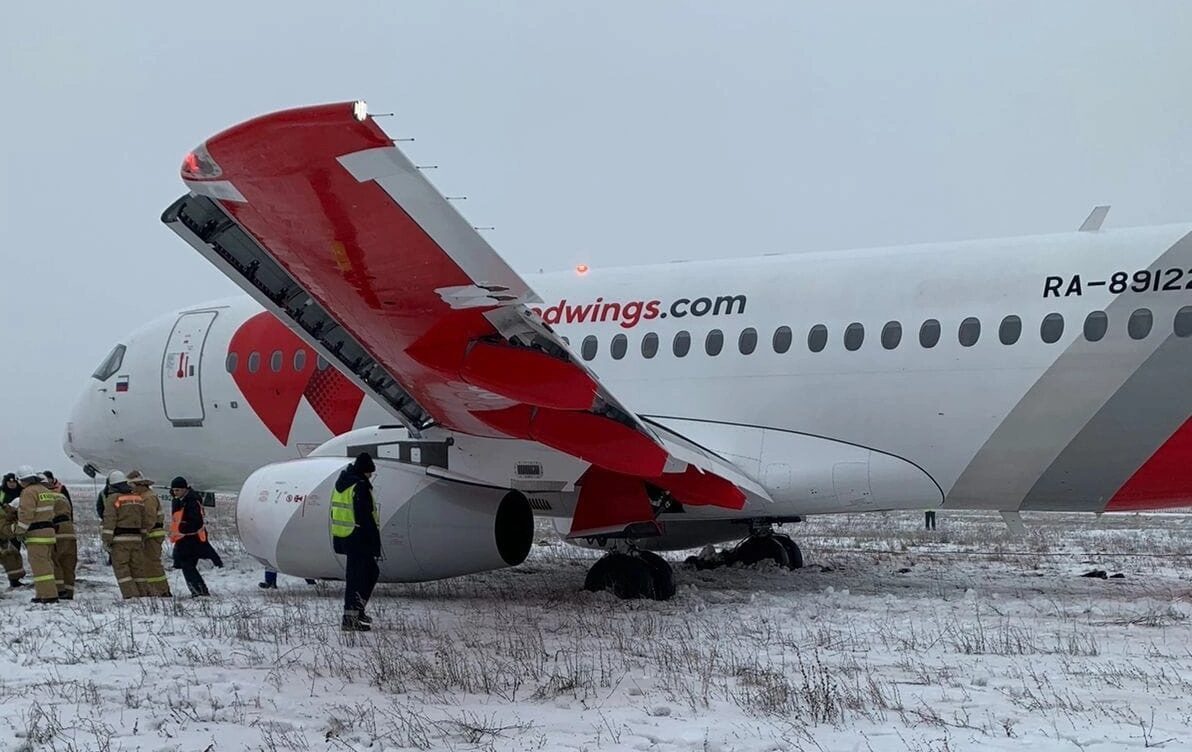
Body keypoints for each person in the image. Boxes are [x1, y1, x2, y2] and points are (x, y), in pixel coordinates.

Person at [331, 453, 381, 631]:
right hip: (359, 538)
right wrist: (375, 544)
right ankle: (351, 617)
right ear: (364, 471)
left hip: (345, 536)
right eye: (369, 473)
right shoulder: (359, 486)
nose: (370, 476)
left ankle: (356, 611)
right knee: (361, 576)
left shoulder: (343, 484)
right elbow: (365, 517)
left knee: (361, 574)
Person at [169, 477, 222, 596]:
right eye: (173, 490)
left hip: (192, 539)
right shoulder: (180, 500)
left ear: (184, 489)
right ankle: (199, 591)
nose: (175, 493)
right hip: (183, 539)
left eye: (177, 490)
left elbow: (195, 522)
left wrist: (183, 527)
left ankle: (199, 591)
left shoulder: (192, 501)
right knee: (186, 566)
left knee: (188, 566)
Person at [14, 466, 59, 603]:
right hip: (49, 533)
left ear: (22, 480)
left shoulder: (28, 492)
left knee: (40, 567)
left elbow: (26, 514)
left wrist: (19, 531)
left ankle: (49, 595)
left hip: (36, 534)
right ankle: (42, 594)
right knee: (47, 564)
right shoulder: (45, 491)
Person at [102, 470, 150, 599]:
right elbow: (144, 520)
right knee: (137, 569)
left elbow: (110, 519)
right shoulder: (137, 498)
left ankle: (131, 595)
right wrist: (143, 536)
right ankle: (143, 594)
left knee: (122, 569)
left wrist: (106, 540)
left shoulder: (113, 499)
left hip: (120, 540)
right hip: (137, 539)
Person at [128, 471, 171, 597]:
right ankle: (153, 589)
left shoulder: (148, 498)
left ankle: (162, 590)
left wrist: (142, 533)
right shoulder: (144, 496)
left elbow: (149, 519)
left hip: (152, 535)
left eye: (133, 486)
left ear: (140, 485)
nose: (131, 489)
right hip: (150, 535)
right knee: (146, 563)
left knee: (152, 563)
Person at [43, 471, 76, 600]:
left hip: (57, 531)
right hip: (69, 530)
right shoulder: (62, 495)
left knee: (55, 561)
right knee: (69, 563)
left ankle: (60, 590)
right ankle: (69, 592)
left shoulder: (46, 497)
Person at [0, 474, 26, 587]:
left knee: (14, 554)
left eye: (14, 482)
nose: (11, 483)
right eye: (9, 482)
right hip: (2, 525)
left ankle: (14, 579)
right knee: (6, 553)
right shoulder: (1, 492)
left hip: (17, 526)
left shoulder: (23, 493)